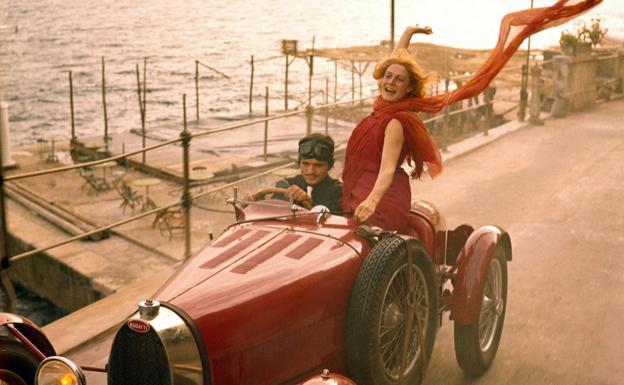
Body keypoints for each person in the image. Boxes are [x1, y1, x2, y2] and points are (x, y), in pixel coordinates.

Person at [342, 0, 602, 233]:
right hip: (361, 190)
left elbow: (388, 168)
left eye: (399, 80)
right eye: (387, 76)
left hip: (382, 200)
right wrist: (408, 35)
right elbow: (395, 60)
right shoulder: (382, 107)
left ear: (409, 88)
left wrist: (372, 201)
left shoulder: (396, 120)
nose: (390, 82)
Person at [276, 133, 342, 213]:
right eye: (305, 164)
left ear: (330, 165)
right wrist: (285, 201)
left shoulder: (339, 192)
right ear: (299, 163)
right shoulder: (287, 185)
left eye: (318, 165)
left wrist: (308, 203)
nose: (310, 171)